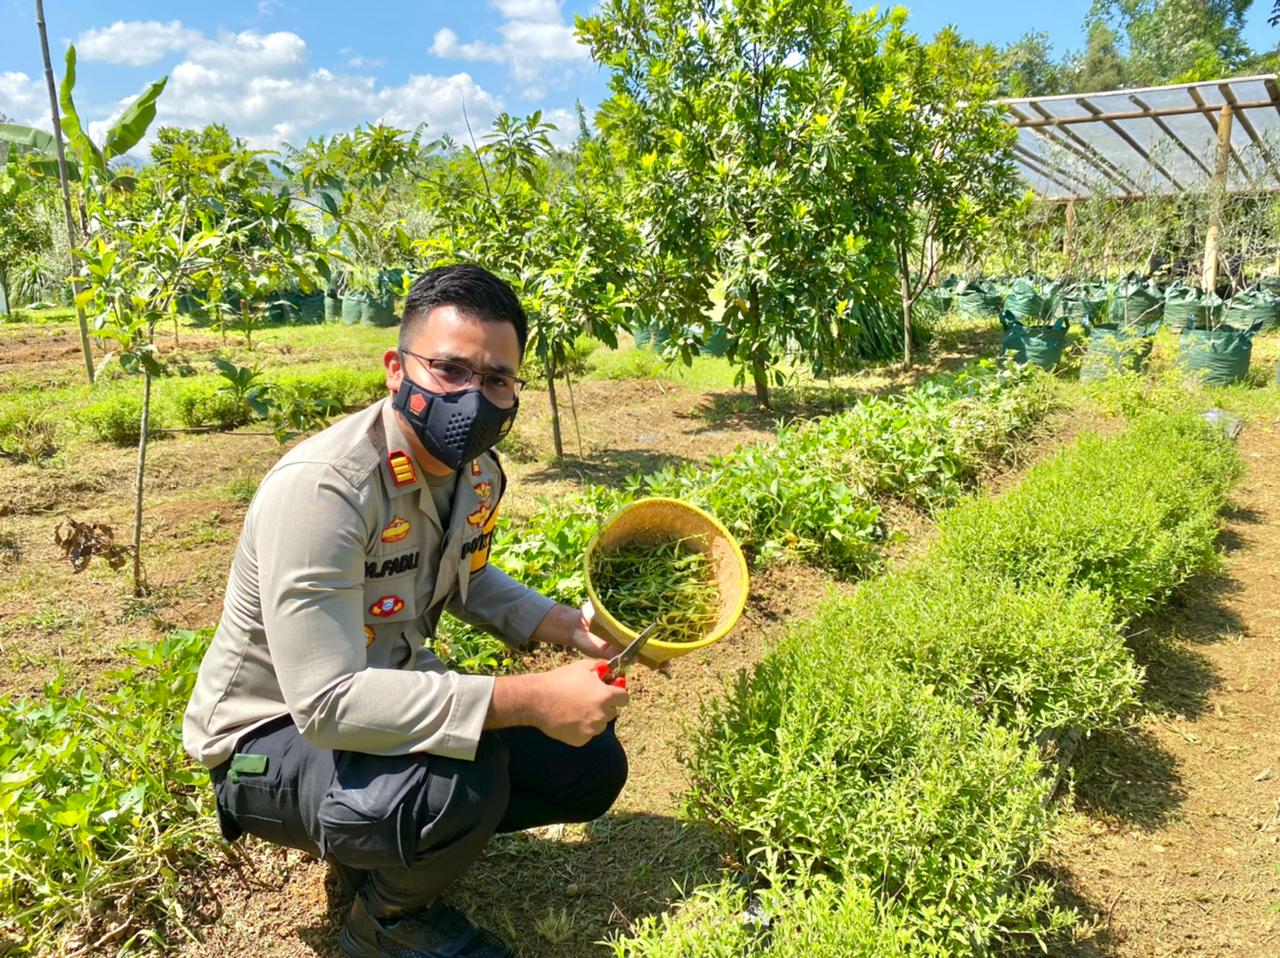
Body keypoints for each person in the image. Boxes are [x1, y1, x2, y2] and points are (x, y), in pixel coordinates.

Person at [183, 264, 630, 958]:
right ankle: (387, 922)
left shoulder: (477, 474)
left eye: (496, 380)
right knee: (463, 777)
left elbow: (470, 580)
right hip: (268, 741)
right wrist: (531, 696)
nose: (473, 397)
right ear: (397, 369)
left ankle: (383, 845)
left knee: (588, 763)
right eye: (450, 369)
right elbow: (327, 703)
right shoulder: (326, 489)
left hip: (381, 701)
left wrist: (567, 626)